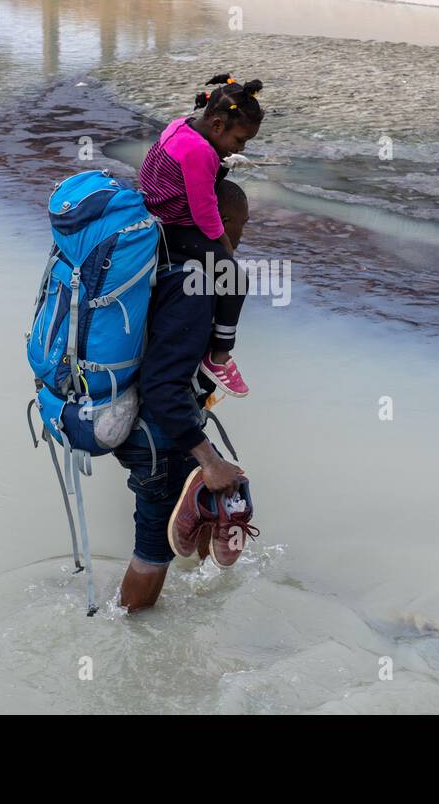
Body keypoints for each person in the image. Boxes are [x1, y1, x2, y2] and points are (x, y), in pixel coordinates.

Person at [113, 179, 257, 612]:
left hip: (138, 420)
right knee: (152, 549)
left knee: (177, 521)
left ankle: (203, 534)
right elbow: (163, 387)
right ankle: (132, 635)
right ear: (222, 221)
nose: (243, 236)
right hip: (156, 434)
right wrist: (208, 460)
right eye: (243, 225)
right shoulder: (194, 286)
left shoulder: (163, 257)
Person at [136, 75, 264, 398]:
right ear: (218, 126)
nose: (241, 148)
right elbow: (204, 210)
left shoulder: (182, 125)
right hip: (170, 228)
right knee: (234, 278)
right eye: (240, 140)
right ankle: (219, 356)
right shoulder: (200, 153)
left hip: (151, 212)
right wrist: (223, 245)